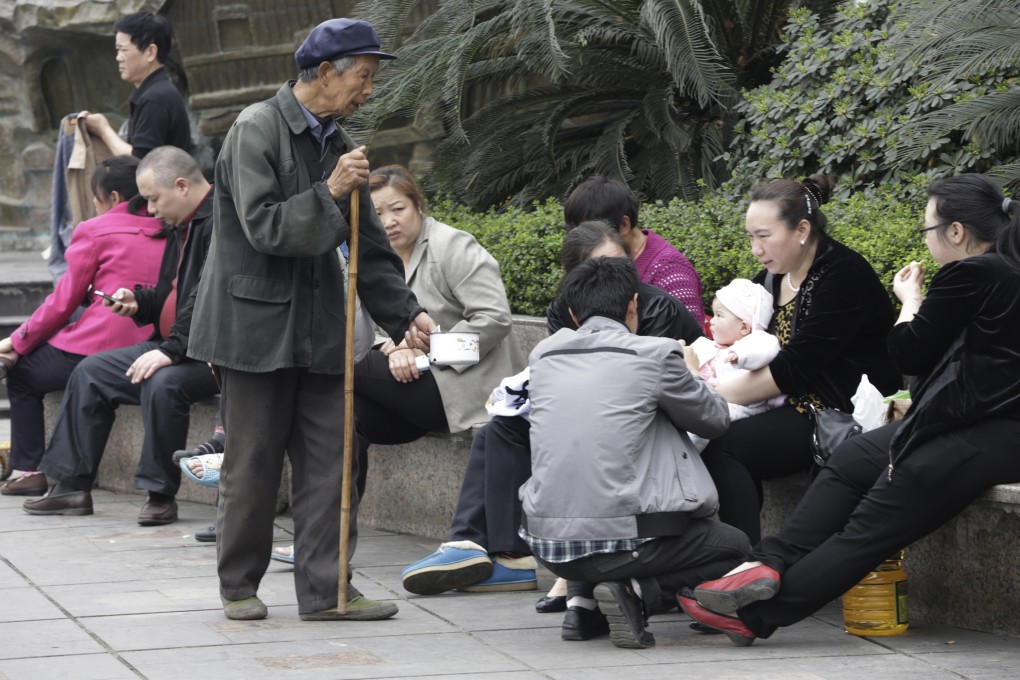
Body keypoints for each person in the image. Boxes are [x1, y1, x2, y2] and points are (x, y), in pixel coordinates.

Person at [679, 174, 1020, 647]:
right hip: (956, 421)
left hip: (987, 433)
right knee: (851, 461)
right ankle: (765, 564)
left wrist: (911, 301)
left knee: (869, 527)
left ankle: (756, 616)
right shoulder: (1001, 270)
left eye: (927, 229)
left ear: (956, 231)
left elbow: (907, 353)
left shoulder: (975, 273)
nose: (925, 237)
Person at [187, 18, 437, 623]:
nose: (369, 90)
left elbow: (369, 246)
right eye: (363, 76)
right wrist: (327, 192)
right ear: (324, 73)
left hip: (321, 329)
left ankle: (329, 591)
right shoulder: (255, 128)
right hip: (255, 332)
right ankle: (239, 585)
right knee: (254, 462)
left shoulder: (336, 140)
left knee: (333, 462)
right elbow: (264, 228)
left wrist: (407, 314)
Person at [401, 221, 703, 598]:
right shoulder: (564, 310)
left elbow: (655, 390)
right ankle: (492, 552)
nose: (612, 277)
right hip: (590, 412)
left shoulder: (655, 306)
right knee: (498, 429)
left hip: (643, 425)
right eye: (597, 268)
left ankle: (554, 571)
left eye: (619, 265)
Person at [519, 257, 750, 648]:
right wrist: (693, 371)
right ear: (633, 306)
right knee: (734, 547)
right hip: (623, 539)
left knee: (587, 484)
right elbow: (714, 420)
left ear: (573, 314)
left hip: (545, 543)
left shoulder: (543, 354)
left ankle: (582, 607)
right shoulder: (655, 355)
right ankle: (639, 593)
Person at [700, 174, 901, 545]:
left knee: (725, 445)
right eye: (750, 237)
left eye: (764, 236)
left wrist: (711, 393)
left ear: (802, 229)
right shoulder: (774, 278)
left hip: (839, 411)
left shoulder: (843, 275)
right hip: (788, 403)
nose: (755, 249)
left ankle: (742, 564)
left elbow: (795, 367)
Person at [23, 146, 218, 523]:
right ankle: (71, 487)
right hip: (175, 344)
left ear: (181, 186)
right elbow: (173, 292)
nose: (151, 210)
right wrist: (139, 301)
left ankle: (160, 494)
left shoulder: (220, 221)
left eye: (153, 199)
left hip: (214, 354)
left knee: (163, 383)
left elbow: (209, 297)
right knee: (92, 371)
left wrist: (170, 351)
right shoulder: (181, 223)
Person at [0, 157, 164, 496]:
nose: (93, 204)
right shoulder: (174, 225)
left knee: (23, 374)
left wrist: (18, 341)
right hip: (161, 347)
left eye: (95, 197)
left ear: (114, 197)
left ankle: (28, 469)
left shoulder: (94, 229)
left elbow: (63, 302)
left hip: (101, 349)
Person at [354, 164, 522, 493]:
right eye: (378, 214)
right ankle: (328, 538)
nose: (389, 221)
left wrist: (427, 350)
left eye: (398, 209)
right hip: (406, 393)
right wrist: (396, 350)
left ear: (418, 206)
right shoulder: (375, 260)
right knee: (341, 418)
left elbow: (496, 319)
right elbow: (371, 330)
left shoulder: (452, 247)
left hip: (466, 391)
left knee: (339, 361)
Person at [564, 175, 705, 325]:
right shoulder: (591, 260)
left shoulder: (670, 272)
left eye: (592, 230)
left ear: (624, 225)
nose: (581, 239)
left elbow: (691, 337)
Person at [687, 278, 783, 449]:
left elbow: (766, 349)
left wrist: (741, 356)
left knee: (701, 423)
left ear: (744, 327)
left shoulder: (754, 341)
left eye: (719, 315)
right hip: (706, 396)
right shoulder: (708, 344)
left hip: (738, 405)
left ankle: (686, 452)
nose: (711, 321)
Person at [84, 12, 192, 159]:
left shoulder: (155, 99)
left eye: (123, 50)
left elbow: (141, 163)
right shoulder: (155, 91)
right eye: (117, 50)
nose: (118, 58)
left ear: (150, 52)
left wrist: (103, 130)